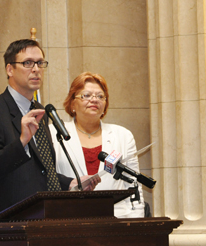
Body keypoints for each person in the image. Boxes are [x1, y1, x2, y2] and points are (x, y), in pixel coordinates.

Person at [0, 39, 100, 223]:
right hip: (8, 227)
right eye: (27, 63)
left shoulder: (41, 111)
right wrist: (21, 142)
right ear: (10, 69)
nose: (36, 69)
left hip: (42, 223)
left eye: (40, 63)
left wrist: (71, 183)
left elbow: (41, 171)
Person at [49, 72, 145, 218]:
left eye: (100, 96)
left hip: (116, 220)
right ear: (72, 103)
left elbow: (134, 185)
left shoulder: (123, 136)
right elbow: (47, 179)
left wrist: (136, 226)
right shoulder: (54, 133)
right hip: (69, 219)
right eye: (86, 95)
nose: (94, 100)